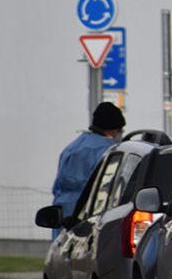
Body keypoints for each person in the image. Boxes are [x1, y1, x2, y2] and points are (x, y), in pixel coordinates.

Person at [50, 102, 125, 238]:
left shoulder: (72, 147)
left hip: (62, 216)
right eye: (119, 130)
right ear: (112, 130)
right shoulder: (106, 150)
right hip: (87, 217)